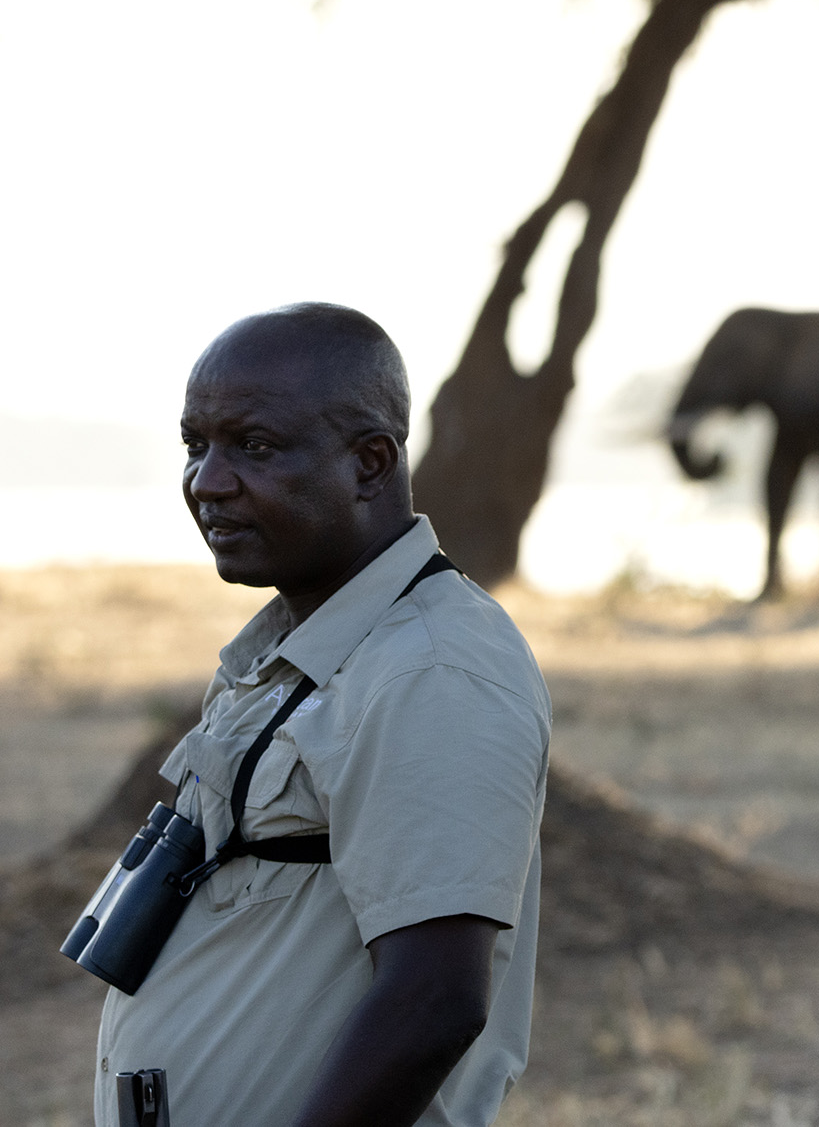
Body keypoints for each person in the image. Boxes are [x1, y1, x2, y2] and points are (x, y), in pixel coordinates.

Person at [93, 303, 551, 1127]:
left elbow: (435, 998)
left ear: (371, 464)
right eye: (197, 446)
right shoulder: (304, 652)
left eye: (254, 447)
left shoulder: (432, 669)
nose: (207, 480)